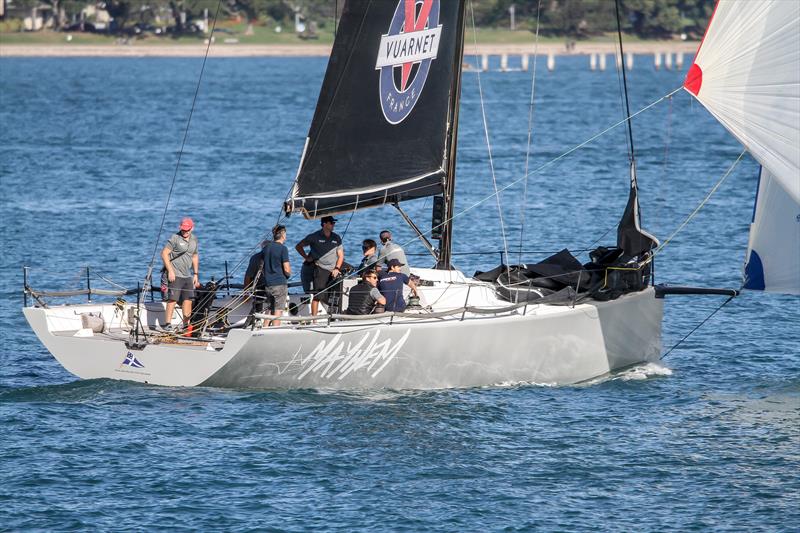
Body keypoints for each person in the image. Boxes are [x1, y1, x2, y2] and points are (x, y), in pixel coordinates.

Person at [295, 215, 344, 315]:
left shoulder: (336, 237)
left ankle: (333, 315)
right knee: (318, 295)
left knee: (334, 294)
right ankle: (314, 320)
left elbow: (341, 255)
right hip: (320, 269)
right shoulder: (314, 237)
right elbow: (298, 246)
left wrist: (337, 268)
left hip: (334, 270)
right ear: (324, 224)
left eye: (334, 223)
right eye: (331, 223)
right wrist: (306, 257)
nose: (334, 224)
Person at [160, 217, 199, 333]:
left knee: (188, 300)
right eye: (183, 229)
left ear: (192, 228)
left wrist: (196, 274)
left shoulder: (194, 240)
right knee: (172, 299)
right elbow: (164, 254)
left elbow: (195, 256)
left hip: (187, 275)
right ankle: (167, 324)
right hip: (175, 274)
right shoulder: (175, 238)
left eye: (187, 230)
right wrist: (170, 271)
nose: (185, 232)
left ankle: (186, 325)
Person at [262, 225, 291, 326]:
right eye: (285, 233)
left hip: (268, 284)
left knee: (270, 309)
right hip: (279, 284)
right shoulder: (283, 249)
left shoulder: (266, 248)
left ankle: (264, 329)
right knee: (278, 311)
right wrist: (288, 275)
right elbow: (287, 269)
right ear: (282, 234)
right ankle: (275, 330)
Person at [244, 240, 268, 316]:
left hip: (260, 288)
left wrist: (246, 292)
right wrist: (246, 293)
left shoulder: (255, 257)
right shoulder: (256, 258)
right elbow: (248, 276)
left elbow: (248, 276)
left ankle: (258, 317)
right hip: (264, 287)